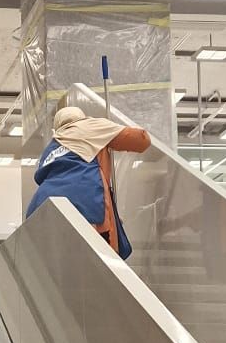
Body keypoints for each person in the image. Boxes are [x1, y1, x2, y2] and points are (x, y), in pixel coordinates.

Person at [25, 105, 152, 259]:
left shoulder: (52, 147)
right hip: (82, 202)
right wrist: (108, 129)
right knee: (93, 263)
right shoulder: (92, 126)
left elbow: (40, 178)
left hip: (41, 206)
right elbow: (141, 140)